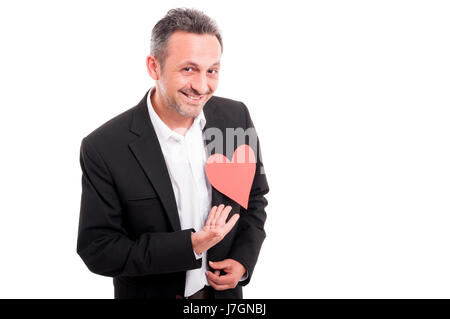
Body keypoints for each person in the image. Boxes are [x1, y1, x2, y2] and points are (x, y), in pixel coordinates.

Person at [77, 8, 269, 299]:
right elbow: (99, 249)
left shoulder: (235, 118)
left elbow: (254, 199)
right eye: (188, 69)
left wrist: (243, 261)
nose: (202, 86)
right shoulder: (103, 147)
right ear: (154, 67)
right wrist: (191, 245)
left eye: (212, 70)